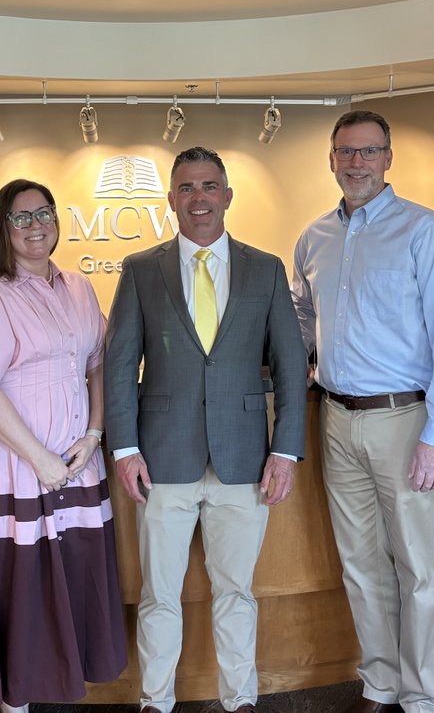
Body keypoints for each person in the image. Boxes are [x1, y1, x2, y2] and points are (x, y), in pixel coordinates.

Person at [104, 146, 308, 713]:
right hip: (162, 458)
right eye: (187, 188)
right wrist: (124, 447)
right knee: (158, 595)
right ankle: (155, 700)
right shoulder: (142, 270)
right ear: (171, 199)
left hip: (245, 457)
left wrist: (286, 450)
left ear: (227, 195)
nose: (199, 198)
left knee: (236, 592)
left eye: (209, 186)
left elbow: (290, 365)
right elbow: (121, 363)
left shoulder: (265, 268)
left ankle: (240, 699)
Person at [292, 110, 434, 713]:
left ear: (389, 158)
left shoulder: (424, 231)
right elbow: (300, 318)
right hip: (337, 421)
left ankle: (424, 698)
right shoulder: (314, 236)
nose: (356, 163)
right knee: (361, 564)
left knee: (418, 569)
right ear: (332, 159)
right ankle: (381, 682)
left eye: (369, 152)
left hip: (407, 421)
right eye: (346, 152)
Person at [0, 179, 127, 713]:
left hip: (74, 459)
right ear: (2, 228)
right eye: (21, 217)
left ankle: (41, 686)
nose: (35, 225)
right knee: (15, 580)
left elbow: (97, 363)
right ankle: (10, 701)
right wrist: (39, 458)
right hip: (10, 461)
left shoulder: (78, 288)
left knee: (61, 574)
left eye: (44, 213)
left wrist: (94, 433)